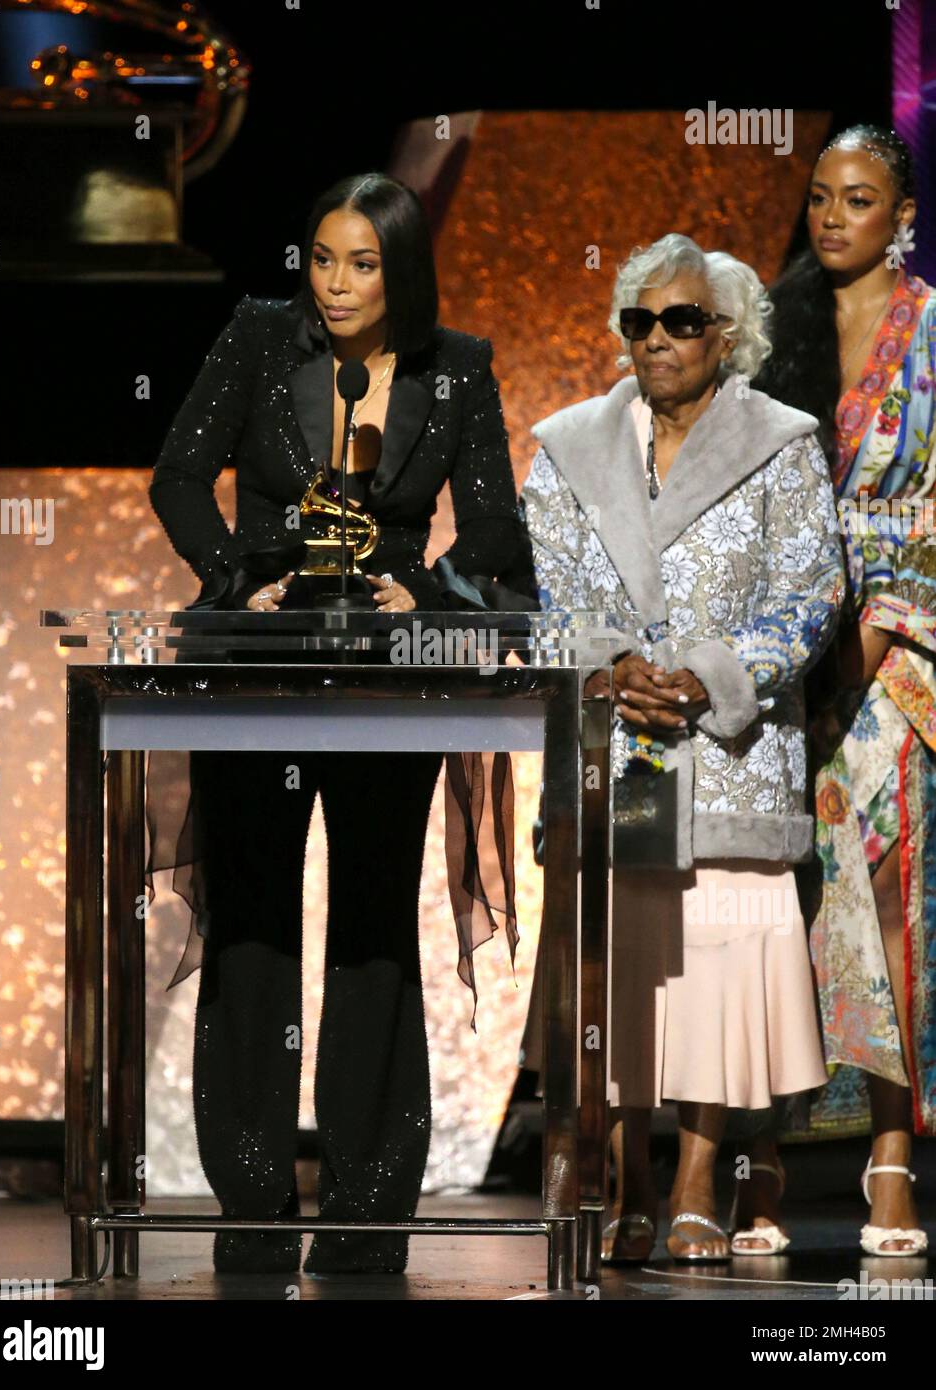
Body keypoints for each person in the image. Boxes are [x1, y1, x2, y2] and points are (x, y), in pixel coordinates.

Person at [147, 172, 533, 1275]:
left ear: (400, 269)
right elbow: (179, 475)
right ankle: (253, 1205)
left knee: (369, 928)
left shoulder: (456, 367)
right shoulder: (261, 337)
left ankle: (365, 1211)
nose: (335, 283)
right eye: (321, 258)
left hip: (385, 687)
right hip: (258, 678)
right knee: (254, 927)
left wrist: (437, 587)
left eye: (361, 263)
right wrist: (236, 577)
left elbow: (496, 518)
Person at [520, 233, 844, 1262]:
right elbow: (548, 593)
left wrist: (704, 678)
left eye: (681, 321)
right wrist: (614, 670)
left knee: (713, 976)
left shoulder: (780, 442)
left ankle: (701, 1175)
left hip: (730, 746)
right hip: (617, 738)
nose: (655, 340)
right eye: (639, 321)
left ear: (727, 334)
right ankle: (624, 1175)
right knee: (627, 969)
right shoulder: (567, 445)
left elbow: (810, 591)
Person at [750, 125, 935, 1256]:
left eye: (855, 198)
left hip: (901, 647)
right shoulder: (771, 324)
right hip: (780, 637)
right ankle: (754, 1156)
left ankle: (888, 1155)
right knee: (764, 888)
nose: (830, 217)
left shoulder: (930, 335)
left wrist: (862, 650)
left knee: (876, 870)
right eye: (817, 196)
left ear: (899, 214)